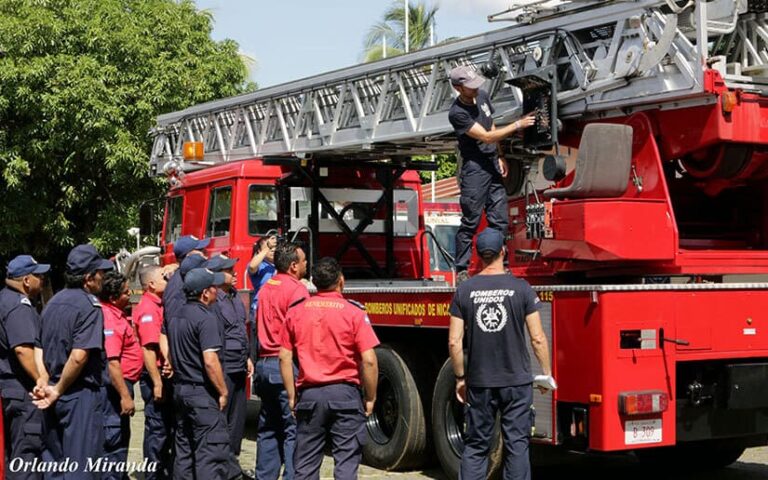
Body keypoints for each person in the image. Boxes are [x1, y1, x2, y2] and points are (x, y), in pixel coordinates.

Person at [448, 228, 556, 480]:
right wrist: (546, 374)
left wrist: (460, 378)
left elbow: (454, 341)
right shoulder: (522, 289)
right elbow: (538, 337)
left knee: (476, 446)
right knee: (517, 445)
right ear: (503, 252)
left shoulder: (465, 291)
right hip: (516, 382)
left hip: (481, 382)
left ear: (478, 255)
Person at [279, 257, 379, 480]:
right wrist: (370, 397)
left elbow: (284, 357)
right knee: (345, 464)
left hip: (310, 395)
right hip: (345, 395)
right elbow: (369, 360)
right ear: (341, 281)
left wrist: (292, 396)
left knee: (304, 465)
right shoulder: (353, 312)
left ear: (314, 282)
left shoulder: (296, 312)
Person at [448, 65, 536, 283]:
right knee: (471, 220)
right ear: (459, 88)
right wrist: (518, 124)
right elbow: (486, 136)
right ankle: (461, 269)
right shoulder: (457, 113)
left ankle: (500, 264)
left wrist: (500, 155)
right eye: (470, 87)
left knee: (500, 219)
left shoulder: (483, 96)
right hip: (474, 170)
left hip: (491, 164)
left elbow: (491, 124)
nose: (476, 89)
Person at [35, 244, 114, 478]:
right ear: (88, 278)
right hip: (78, 394)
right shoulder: (89, 307)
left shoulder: (53, 304)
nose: (103, 277)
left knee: (54, 464)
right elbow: (79, 356)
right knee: (82, 466)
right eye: (100, 273)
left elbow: (38, 347)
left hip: (53, 394)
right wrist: (58, 389)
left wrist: (46, 380)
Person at [167, 267, 231, 480]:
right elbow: (210, 361)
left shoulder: (176, 315)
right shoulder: (206, 318)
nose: (217, 290)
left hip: (181, 391)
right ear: (205, 292)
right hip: (201, 394)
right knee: (210, 454)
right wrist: (222, 391)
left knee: (183, 452)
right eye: (213, 287)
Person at [254, 241, 309, 480]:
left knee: (268, 428)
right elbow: (303, 332)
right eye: (305, 261)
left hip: (263, 366)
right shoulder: (297, 291)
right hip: (285, 367)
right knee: (293, 430)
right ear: (294, 266)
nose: (307, 265)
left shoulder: (267, 287)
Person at [0, 255, 50, 480]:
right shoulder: (19, 306)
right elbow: (23, 349)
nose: (42, 280)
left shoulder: (4, 299)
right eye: (39, 276)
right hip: (22, 390)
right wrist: (40, 379)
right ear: (27, 280)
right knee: (26, 456)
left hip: (11, 390)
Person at [205, 254, 254, 479]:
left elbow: (240, 329)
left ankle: (232, 463)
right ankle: (219, 466)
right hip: (224, 365)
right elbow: (217, 336)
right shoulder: (214, 300)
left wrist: (247, 357)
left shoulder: (234, 297)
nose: (235, 273)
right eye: (228, 270)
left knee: (237, 419)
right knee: (221, 419)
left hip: (238, 365)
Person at [100, 271, 142, 480]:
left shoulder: (116, 315)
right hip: (117, 388)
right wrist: (125, 396)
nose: (130, 295)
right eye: (126, 293)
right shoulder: (110, 319)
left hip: (122, 385)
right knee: (115, 438)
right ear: (113, 297)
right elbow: (112, 362)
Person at [133, 265, 174, 480]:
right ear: (151, 284)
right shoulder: (148, 309)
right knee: (157, 432)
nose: (167, 279)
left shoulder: (160, 304)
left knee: (164, 430)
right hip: (154, 376)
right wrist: (157, 382)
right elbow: (148, 349)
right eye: (163, 277)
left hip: (161, 373)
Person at [248, 235, 277, 320]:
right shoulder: (260, 265)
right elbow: (252, 267)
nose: (272, 250)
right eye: (269, 248)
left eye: (274, 247)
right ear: (260, 251)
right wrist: (267, 247)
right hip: (261, 309)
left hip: (276, 308)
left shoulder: (280, 265)